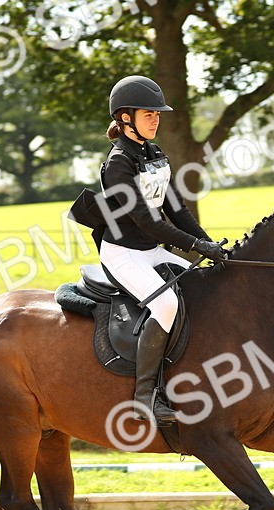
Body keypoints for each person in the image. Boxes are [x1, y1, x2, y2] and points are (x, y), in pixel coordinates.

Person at [97, 75, 227, 424]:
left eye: (158, 114)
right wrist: (195, 245)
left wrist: (208, 244)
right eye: (148, 114)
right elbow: (146, 222)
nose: (156, 119)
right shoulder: (118, 163)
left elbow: (176, 209)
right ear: (126, 118)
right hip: (123, 253)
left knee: (204, 283)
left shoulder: (154, 154)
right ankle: (145, 397)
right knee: (166, 303)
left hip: (151, 249)